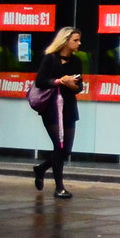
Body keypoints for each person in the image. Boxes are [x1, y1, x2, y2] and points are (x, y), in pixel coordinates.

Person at [33, 27, 85, 200]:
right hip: (52, 108)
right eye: (75, 40)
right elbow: (40, 81)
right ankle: (59, 187)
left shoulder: (77, 61)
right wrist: (58, 81)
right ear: (65, 41)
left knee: (66, 150)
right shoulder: (50, 59)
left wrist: (73, 86)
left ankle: (41, 169)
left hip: (69, 107)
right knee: (59, 146)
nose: (79, 43)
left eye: (79, 40)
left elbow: (80, 86)